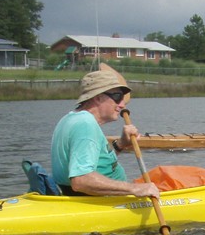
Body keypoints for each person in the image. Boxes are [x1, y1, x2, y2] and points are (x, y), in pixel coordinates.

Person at [50, 69, 160, 198]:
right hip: (96, 202)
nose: (122, 105)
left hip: (95, 197)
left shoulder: (71, 118)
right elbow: (81, 180)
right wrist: (134, 189)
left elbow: (98, 164)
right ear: (98, 98)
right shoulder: (85, 125)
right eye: (117, 97)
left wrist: (121, 144)